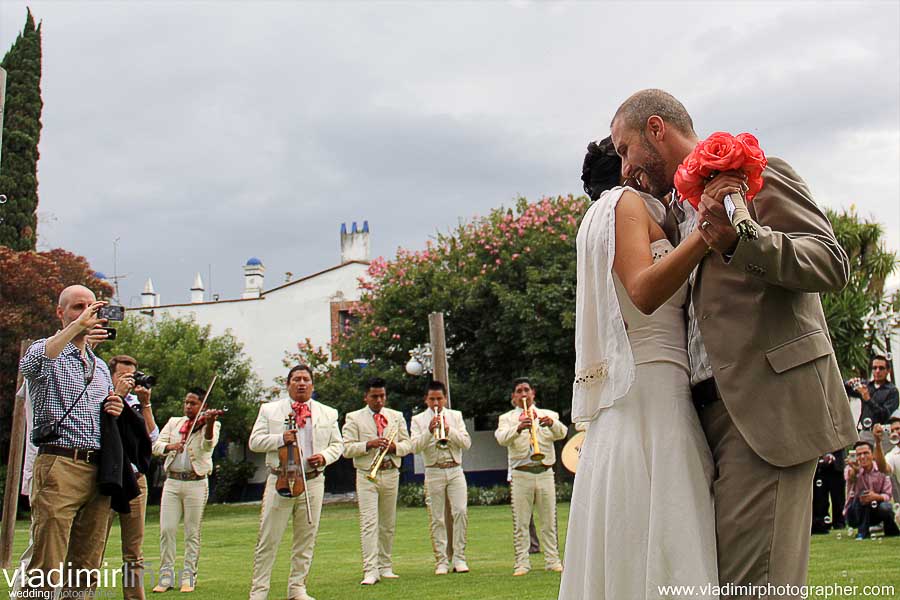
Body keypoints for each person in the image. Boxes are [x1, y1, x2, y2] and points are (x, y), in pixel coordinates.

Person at [609, 88, 856, 593]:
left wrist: (742, 239)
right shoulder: (672, 218)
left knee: (752, 584)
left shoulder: (757, 177)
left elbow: (830, 263)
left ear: (656, 129)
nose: (623, 168)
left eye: (624, 149)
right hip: (698, 424)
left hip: (765, 410)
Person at [560, 138, 717, 599]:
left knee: (633, 534)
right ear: (631, 172)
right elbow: (644, 293)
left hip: (633, 398)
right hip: (653, 392)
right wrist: (704, 235)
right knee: (667, 525)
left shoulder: (609, 218)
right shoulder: (625, 204)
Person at [17, 285, 126, 596]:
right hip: (59, 463)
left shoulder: (100, 367)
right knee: (46, 565)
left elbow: (100, 417)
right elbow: (31, 364)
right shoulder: (45, 352)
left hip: (97, 468)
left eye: (92, 307)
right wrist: (77, 328)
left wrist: (113, 407)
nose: (88, 313)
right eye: (79, 307)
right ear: (60, 313)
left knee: (86, 567)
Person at [248, 365, 344, 600]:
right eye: (296, 379)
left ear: (312, 384)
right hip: (280, 478)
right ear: (288, 383)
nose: (301, 383)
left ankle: (297, 588)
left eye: (306, 379)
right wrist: (280, 438)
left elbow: (337, 445)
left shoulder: (328, 413)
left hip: (312, 479)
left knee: (306, 537)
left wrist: (325, 457)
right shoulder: (269, 410)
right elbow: (255, 442)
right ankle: (259, 592)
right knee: (268, 537)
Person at [342, 377, 412, 585]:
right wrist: (369, 444)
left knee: (388, 523)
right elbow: (346, 448)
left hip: (391, 472)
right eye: (374, 396)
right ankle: (370, 570)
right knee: (369, 523)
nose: (379, 400)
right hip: (366, 474)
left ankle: (385, 566)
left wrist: (395, 448)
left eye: (382, 396)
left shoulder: (396, 416)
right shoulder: (354, 417)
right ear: (366, 397)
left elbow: (408, 444)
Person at [151, 388, 222, 593]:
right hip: (172, 482)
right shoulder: (175, 422)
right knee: (167, 529)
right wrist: (171, 446)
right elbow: (156, 445)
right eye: (187, 403)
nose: (188, 406)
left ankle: (189, 577)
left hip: (196, 482)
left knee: (192, 531)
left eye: (193, 403)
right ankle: (165, 577)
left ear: (203, 406)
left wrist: (208, 422)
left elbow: (208, 445)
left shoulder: (212, 424)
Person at [494, 377, 566, 577]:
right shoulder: (507, 418)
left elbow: (562, 433)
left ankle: (553, 560)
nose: (523, 394)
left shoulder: (548, 414)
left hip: (544, 472)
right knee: (521, 522)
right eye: (519, 391)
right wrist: (518, 428)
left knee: (549, 520)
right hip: (521, 473)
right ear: (513, 397)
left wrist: (552, 424)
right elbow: (501, 438)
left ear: (533, 393)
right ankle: (522, 563)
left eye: (526, 390)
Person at [106, 355, 160, 600]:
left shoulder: (137, 404)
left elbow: (153, 440)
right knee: (92, 546)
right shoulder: (103, 396)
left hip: (135, 478)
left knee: (133, 551)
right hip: (108, 478)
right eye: (123, 375)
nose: (129, 380)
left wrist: (145, 404)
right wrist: (117, 394)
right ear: (111, 375)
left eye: (133, 375)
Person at [410, 380, 471, 575]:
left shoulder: (456, 416)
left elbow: (466, 443)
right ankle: (441, 561)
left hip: (455, 469)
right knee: (437, 517)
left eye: (439, 399)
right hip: (433, 470)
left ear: (445, 399)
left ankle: (459, 558)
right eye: (432, 399)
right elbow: (415, 447)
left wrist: (449, 430)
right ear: (426, 400)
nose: (436, 403)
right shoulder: (418, 420)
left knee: (460, 511)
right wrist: (429, 431)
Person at [843, 441, 898, 538]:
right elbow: (851, 478)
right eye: (859, 454)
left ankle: (892, 531)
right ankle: (862, 532)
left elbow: (888, 495)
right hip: (855, 512)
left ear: (872, 455)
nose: (863, 457)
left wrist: (875, 497)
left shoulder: (881, 469)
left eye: (866, 453)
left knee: (886, 507)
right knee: (863, 496)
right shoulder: (850, 469)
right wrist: (855, 469)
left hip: (876, 510)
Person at [846, 355, 898, 429]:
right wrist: (848, 383)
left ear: (888, 370)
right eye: (874, 368)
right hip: (863, 430)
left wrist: (868, 400)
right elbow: (845, 391)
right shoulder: (866, 385)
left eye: (881, 368)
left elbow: (885, 415)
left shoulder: (892, 391)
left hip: (881, 432)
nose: (877, 371)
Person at [811, 450, 846, 533]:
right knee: (820, 497)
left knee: (838, 496)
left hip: (836, 465)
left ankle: (839, 522)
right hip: (819, 466)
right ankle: (821, 522)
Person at [874, 418, 900, 505]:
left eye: (898, 429)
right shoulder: (892, 455)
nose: (895, 432)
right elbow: (883, 469)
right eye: (892, 431)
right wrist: (878, 442)